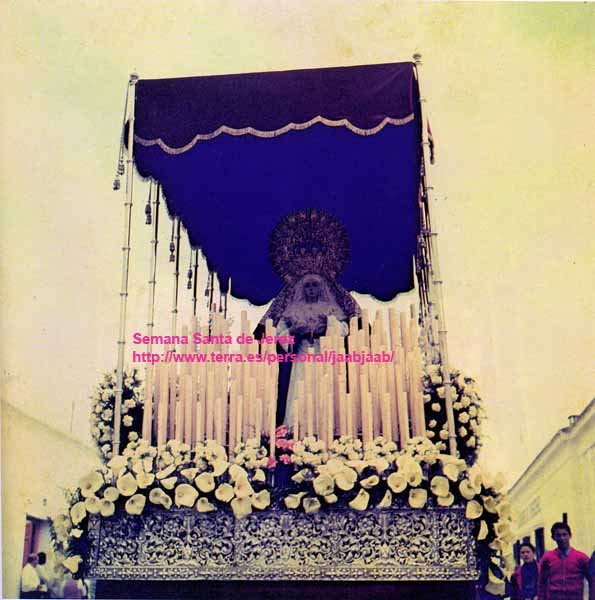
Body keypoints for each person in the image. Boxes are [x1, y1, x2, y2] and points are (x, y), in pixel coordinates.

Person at [537, 522, 591, 600]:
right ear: (553, 537)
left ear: (570, 535)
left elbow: (592, 580)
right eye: (558, 535)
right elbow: (542, 583)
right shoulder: (547, 558)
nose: (562, 538)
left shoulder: (581, 558)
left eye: (564, 534)